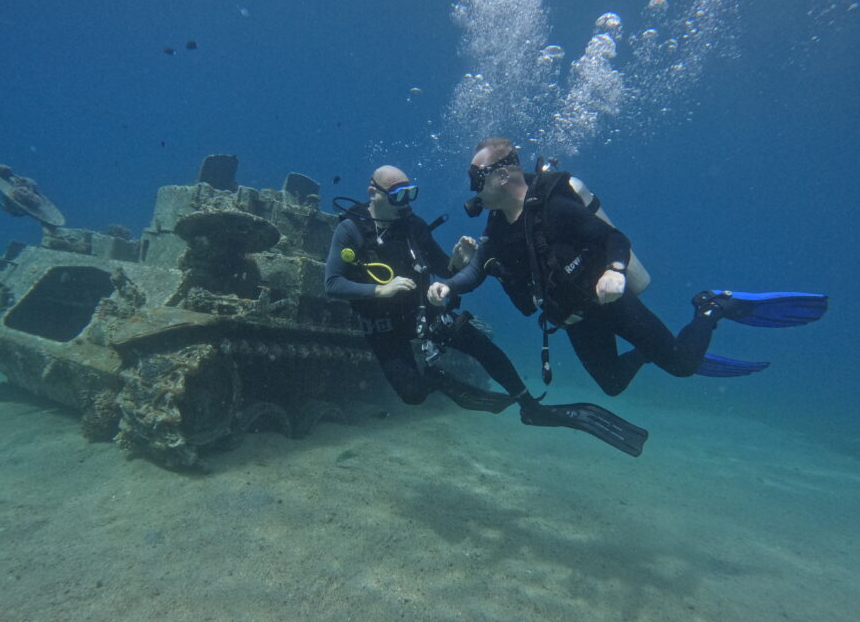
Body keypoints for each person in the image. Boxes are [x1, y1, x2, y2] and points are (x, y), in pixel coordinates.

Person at [427, 137, 828, 396]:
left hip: (609, 301)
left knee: (683, 366)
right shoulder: (497, 226)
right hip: (574, 318)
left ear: (501, 174)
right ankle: (652, 350)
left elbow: (613, 239)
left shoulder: (554, 208)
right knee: (613, 383)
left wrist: (615, 271)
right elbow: (480, 267)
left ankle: (710, 307)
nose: (472, 189)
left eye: (475, 178)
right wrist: (450, 285)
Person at [324, 165, 649, 456]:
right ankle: (437, 380)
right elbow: (333, 284)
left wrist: (458, 259)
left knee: (483, 347)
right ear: (374, 193)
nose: (407, 202)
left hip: (422, 311)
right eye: (398, 194)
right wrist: (380, 290)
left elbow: (443, 268)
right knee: (412, 395)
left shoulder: (414, 226)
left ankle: (529, 405)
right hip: (383, 324)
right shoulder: (350, 230)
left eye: (411, 193)